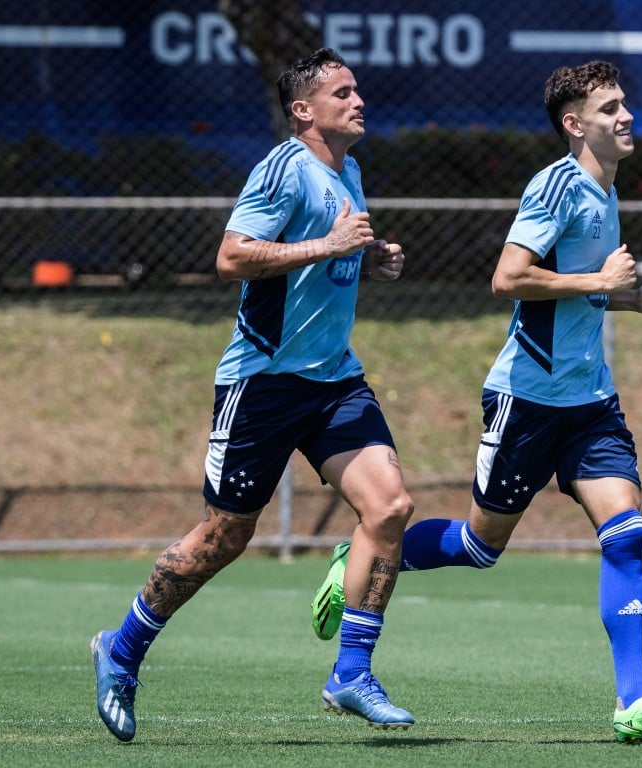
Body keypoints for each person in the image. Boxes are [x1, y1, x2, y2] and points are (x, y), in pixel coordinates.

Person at [310, 60, 642, 743]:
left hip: (590, 401)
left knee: (627, 532)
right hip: (527, 399)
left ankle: (634, 702)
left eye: (624, 104)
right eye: (610, 108)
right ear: (575, 124)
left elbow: (584, 289)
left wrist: (632, 298)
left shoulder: (606, 189)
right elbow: (508, 278)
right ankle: (369, 557)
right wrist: (597, 280)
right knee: (479, 546)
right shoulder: (555, 186)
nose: (626, 116)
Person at [91, 47, 416, 742]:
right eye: (343, 93)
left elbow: (333, 245)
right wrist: (328, 247)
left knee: (391, 507)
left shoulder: (349, 169)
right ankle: (119, 652)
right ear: (304, 111)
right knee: (224, 537)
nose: (359, 101)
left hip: (333, 379)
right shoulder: (281, 167)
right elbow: (233, 255)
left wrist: (369, 254)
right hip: (263, 381)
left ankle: (351, 674)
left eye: (358, 91)